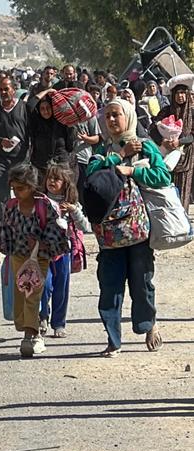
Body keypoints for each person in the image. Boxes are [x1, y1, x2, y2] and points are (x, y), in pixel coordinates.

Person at [87, 98, 169, 357]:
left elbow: (163, 175)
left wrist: (133, 171)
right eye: (108, 115)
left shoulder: (144, 146)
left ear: (129, 117)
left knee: (142, 283)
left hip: (138, 231)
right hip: (109, 234)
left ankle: (148, 325)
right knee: (109, 287)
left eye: (116, 115)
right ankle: (113, 340)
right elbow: (90, 174)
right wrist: (118, 157)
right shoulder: (102, 150)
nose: (111, 120)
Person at [0, 164, 69, 357]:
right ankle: (30, 332)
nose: (17, 192)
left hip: (39, 259)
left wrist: (42, 244)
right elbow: (4, 228)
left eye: (21, 188)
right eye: (14, 188)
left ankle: (30, 336)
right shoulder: (11, 206)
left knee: (31, 295)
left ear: (32, 186)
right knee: (19, 298)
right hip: (18, 256)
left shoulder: (44, 205)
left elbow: (56, 230)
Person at [40, 164, 89, 338]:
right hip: (43, 251)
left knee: (61, 287)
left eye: (57, 179)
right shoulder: (40, 200)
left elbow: (85, 227)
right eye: (49, 178)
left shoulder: (71, 204)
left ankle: (59, 323)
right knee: (44, 285)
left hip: (64, 252)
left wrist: (74, 211)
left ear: (66, 183)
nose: (52, 181)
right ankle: (42, 316)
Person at [0, 76, 30, 220]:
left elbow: (31, 131)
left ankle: (24, 221)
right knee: (2, 193)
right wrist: (0, 141)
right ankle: (5, 222)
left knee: (23, 190)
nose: (4, 92)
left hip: (21, 159)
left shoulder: (24, 108)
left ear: (14, 90)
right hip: (1, 160)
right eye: (1, 90)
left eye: (6, 89)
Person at [150, 75, 194, 210]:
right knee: (168, 189)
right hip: (167, 155)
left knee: (183, 189)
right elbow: (152, 128)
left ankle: (183, 218)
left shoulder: (192, 112)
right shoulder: (166, 111)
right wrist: (163, 141)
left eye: (183, 93)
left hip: (186, 156)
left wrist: (179, 142)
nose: (180, 96)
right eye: (178, 93)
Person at [27, 89, 74, 178]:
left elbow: (70, 146)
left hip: (61, 165)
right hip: (41, 166)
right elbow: (29, 106)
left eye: (48, 108)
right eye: (42, 109)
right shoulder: (36, 123)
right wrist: (47, 91)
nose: (45, 111)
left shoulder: (61, 122)